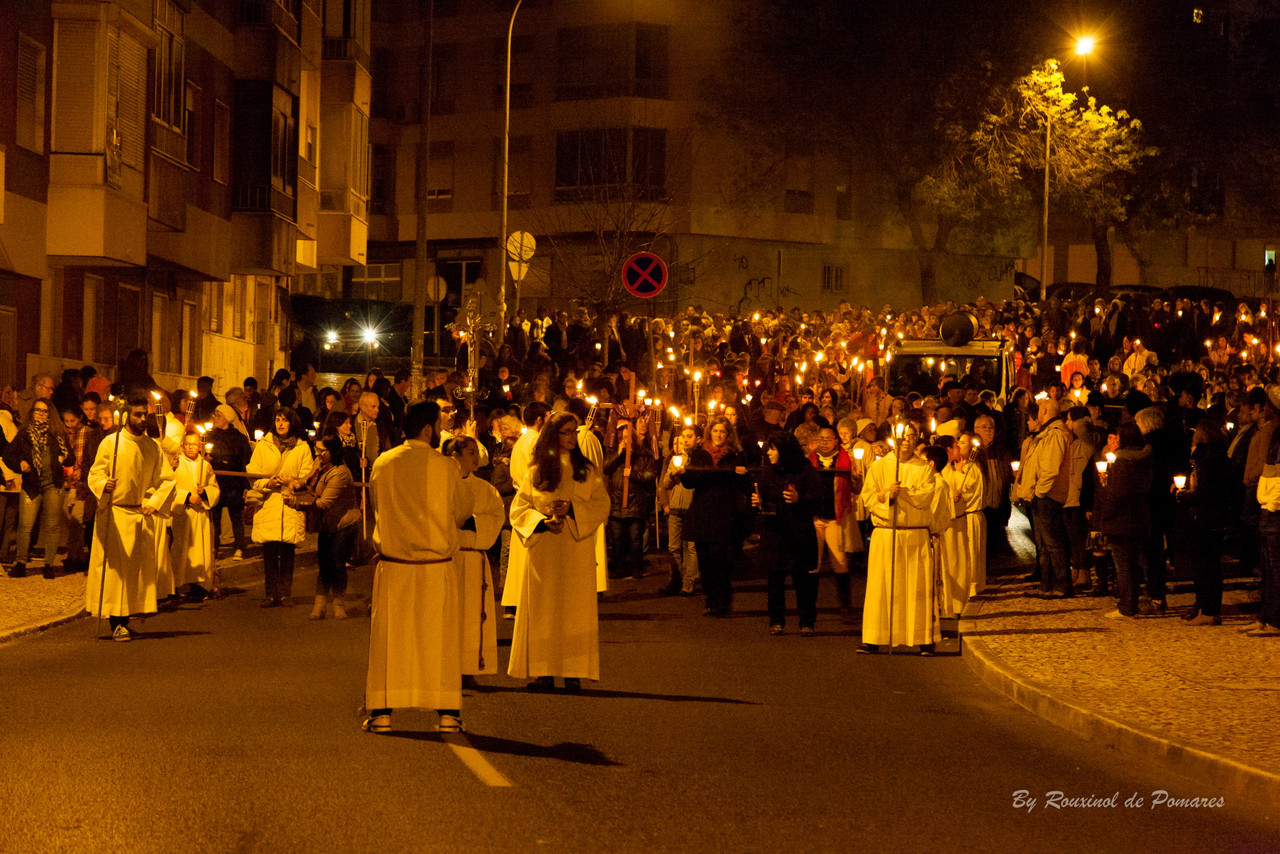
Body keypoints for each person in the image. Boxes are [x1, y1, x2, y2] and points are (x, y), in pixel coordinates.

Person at [363, 401, 475, 734]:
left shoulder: (383, 463)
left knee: (390, 639)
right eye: (438, 426)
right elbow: (461, 511)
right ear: (428, 429)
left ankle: (382, 711)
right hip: (435, 565)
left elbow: (376, 507)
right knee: (438, 640)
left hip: (394, 565)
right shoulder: (445, 466)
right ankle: (447, 712)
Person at [508, 411, 610, 693]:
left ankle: (573, 671)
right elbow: (519, 509)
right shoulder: (537, 472)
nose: (571, 437)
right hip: (545, 549)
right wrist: (541, 522)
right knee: (544, 610)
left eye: (574, 432)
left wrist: (574, 510)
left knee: (574, 609)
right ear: (553, 435)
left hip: (575, 548)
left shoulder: (587, 471)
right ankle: (542, 672)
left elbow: (602, 505)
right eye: (565, 432)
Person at [858, 422, 950, 655]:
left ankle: (923, 638)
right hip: (887, 534)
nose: (907, 440)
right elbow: (868, 498)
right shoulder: (879, 467)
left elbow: (927, 495)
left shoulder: (924, 468)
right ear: (894, 438)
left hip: (914, 534)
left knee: (917, 589)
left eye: (911, 436)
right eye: (903, 436)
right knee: (882, 587)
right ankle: (874, 637)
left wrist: (905, 493)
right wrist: (887, 496)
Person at [85, 397, 166, 641]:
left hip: (139, 513)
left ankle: (126, 619)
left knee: (133, 573)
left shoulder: (153, 447)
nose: (142, 419)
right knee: (115, 572)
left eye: (145, 415)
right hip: (115, 512)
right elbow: (95, 472)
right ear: (127, 415)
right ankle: (115, 622)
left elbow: (165, 480)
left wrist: (153, 502)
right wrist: (103, 484)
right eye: (138, 415)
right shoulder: (112, 443)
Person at [673, 416, 752, 617]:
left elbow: (744, 487)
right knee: (705, 561)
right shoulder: (700, 454)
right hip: (702, 512)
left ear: (728, 435)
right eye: (715, 431)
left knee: (721, 561)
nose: (718, 435)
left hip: (724, 513)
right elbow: (691, 482)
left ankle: (722, 602)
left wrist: (741, 474)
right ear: (710, 433)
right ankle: (710, 598)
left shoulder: (735, 455)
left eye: (722, 432)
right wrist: (681, 472)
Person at [444, 435, 504, 680]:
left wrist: (472, 521)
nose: (476, 457)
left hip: (473, 559)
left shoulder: (485, 488)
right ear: (454, 456)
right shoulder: (440, 483)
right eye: (470, 452)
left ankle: (468, 667)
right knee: (447, 614)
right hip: (447, 558)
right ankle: (445, 667)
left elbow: (496, 516)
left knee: (471, 616)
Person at [754, 431, 821, 636]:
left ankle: (806, 621)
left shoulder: (805, 471)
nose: (770, 453)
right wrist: (759, 502)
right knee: (775, 578)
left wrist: (799, 498)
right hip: (775, 531)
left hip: (799, 532)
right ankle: (776, 620)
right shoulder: (769, 472)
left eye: (773, 449)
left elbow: (817, 498)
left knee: (802, 580)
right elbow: (764, 497)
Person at [246, 408, 314, 607]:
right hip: (269, 504)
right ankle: (270, 594)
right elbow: (252, 472)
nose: (281, 424)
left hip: (289, 504)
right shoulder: (263, 446)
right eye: (277, 420)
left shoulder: (302, 448)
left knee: (287, 553)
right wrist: (267, 483)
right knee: (269, 552)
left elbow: (308, 475)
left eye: (284, 420)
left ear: (292, 423)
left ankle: (285, 594)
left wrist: (293, 482)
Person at [3, 398, 73, 578]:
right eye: (37, 410)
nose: (41, 414)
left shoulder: (58, 433)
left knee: (52, 526)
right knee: (25, 525)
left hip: (53, 485)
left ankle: (48, 564)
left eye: (44, 411)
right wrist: (20, 463)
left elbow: (70, 457)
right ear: (32, 412)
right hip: (32, 485)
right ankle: (20, 562)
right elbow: (8, 454)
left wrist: (62, 459)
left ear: (50, 413)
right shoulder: (25, 434)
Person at [1097, 423, 1153, 620]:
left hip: (1121, 520)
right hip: (1140, 517)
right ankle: (1133, 602)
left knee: (1124, 565)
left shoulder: (1122, 462)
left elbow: (1116, 495)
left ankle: (1127, 606)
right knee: (1133, 563)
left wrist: (1105, 489)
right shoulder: (1145, 459)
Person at [302, 436, 361, 620]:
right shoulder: (320, 467)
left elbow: (325, 502)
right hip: (326, 524)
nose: (318, 454)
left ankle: (338, 603)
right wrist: (293, 484)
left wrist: (299, 503)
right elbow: (307, 482)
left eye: (322, 450)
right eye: (316, 449)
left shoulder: (340, 473)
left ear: (333, 451)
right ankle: (319, 606)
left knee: (337, 563)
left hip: (343, 523)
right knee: (324, 564)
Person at [1179, 421, 1231, 626]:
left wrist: (1182, 495)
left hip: (1204, 517)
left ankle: (1208, 610)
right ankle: (1206, 607)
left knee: (1205, 565)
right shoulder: (1221, 458)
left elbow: (1203, 491)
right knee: (1210, 565)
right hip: (1216, 516)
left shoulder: (1205, 460)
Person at [809, 424, 861, 620]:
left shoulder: (846, 460)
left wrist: (856, 479)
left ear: (836, 441)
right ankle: (809, 606)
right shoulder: (811, 460)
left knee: (839, 562)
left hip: (835, 518)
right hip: (814, 517)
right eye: (821, 439)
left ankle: (845, 605)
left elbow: (856, 488)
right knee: (813, 563)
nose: (824, 442)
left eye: (828, 439)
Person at [936, 433, 986, 618]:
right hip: (946, 525)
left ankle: (957, 604)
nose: (959, 449)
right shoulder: (939, 471)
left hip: (958, 523)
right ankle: (944, 604)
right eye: (957, 445)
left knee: (959, 565)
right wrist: (951, 499)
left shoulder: (959, 469)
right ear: (949, 450)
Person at [164, 432, 220, 600]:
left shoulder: (205, 465)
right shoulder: (176, 463)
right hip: (183, 514)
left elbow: (214, 487)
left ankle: (199, 585)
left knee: (200, 551)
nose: (190, 447)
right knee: (181, 550)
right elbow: (169, 488)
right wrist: (187, 497)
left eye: (194, 444)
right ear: (182, 445)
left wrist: (205, 494)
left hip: (201, 514)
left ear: (200, 446)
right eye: (187, 444)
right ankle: (175, 585)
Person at [603, 418, 660, 580]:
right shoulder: (614, 453)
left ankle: (636, 568)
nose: (625, 440)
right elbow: (606, 468)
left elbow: (651, 474)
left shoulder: (644, 454)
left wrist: (633, 475)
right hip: (616, 501)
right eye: (622, 437)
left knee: (635, 538)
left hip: (635, 502)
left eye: (628, 437)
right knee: (617, 538)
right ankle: (619, 568)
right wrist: (618, 455)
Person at [656, 425, 700, 596]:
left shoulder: (699, 459)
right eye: (683, 436)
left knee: (691, 547)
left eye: (689, 436)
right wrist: (672, 474)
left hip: (691, 508)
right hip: (675, 508)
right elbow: (665, 484)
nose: (685, 439)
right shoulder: (676, 458)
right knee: (673, 547)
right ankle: (677, 580)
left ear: (698, 438)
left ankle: (689, 583)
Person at [206, 405, 251, 565]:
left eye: (218, 415)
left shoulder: (238, 438)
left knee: (236, 516)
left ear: (227, 417)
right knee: (215, 517)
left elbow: (245, 460)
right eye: (214, 414)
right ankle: (214, 548)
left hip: (233, 483)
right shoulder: (209, 436)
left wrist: (246, 485)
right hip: (216, 482)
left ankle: (240, 546)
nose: (215, 418)